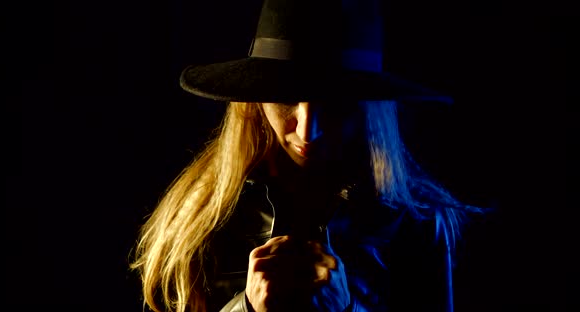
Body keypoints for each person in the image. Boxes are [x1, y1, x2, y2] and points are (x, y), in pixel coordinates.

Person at [130, 0, 483, 311]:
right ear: (255, 98)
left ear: (367, 107)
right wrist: (248, 308)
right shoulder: (198, 217)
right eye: (285, 97)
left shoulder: (417, 224)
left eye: (334, 102)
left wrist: (346, 309)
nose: (307, 130)